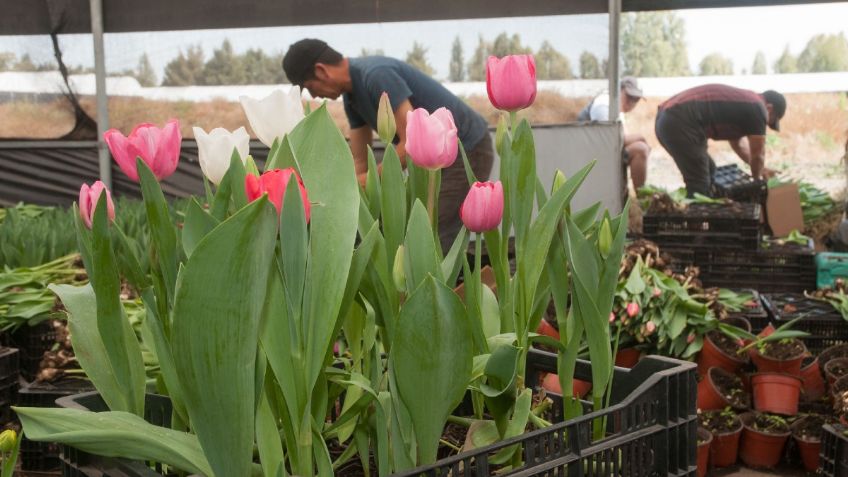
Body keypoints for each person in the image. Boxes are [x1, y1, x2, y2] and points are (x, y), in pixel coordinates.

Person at [282, 39, 493, 252]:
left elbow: (408, 142)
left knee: (435, 232)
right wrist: (349, 190)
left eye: (310, 87)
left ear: (321, 71)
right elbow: (359, 160)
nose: (315, 96)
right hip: (431, 158)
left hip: (466, 148)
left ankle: (443, 283)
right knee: (416, 229)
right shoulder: (351, 95)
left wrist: (368, 180)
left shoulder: (376, 75)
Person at [655, 84, 786, 197]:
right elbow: (758, 154)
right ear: (769, 108)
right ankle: (696, 222)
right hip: (679, 120)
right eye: (771, 121)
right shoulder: (759, 108)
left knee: (710, 169)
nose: (765, 125)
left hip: (667, 118)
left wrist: (761, 169)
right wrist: (757, 181)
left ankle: (703, 214)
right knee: (699, 182)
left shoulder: (746, 103)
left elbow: (739, 145)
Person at [577, 77, 650, 190]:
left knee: (640, 147)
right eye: (629, 97)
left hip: (602, 152)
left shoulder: (616, 108)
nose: (632, 103)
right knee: (640, 149)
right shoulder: (604, 104)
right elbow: (609, 139)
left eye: (636, 99)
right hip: (589, 155)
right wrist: (640, 137)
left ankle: (639, 198)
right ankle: (642, 198)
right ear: (618, 90)